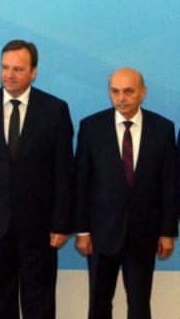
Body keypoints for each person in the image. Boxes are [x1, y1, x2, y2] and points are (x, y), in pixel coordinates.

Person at [0, 39, 74, 319]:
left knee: (39, 300)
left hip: (40, 227)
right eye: (5, 67)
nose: (9, 74)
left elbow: (65, 172)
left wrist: (61, 222)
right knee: (0, 297)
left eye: (18, 69)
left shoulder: (55, 109)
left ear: (34, 72)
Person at [74, 68, 176, 319]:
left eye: (128, 91)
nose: (121, 98)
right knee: (99, 304)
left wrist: (167, 232)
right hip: (101, 234)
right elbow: (81, 182)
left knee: (140, 305)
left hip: (144, 234)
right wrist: (82, 231)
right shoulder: (91, 127)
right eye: (115, 91)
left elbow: (170, 185)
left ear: (143, 92)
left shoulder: (163, 129)